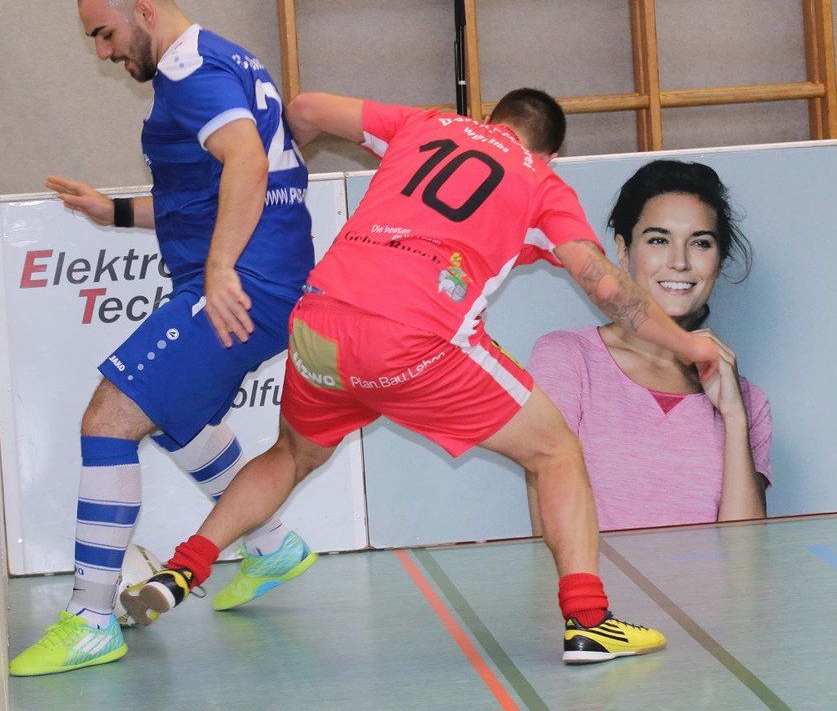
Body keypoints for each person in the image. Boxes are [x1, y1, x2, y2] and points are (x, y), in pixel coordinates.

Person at [124, 88, 721, 664]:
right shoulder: (540, 182)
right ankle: (589, 623)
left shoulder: (423, 124)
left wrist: (284, 169)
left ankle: (183, 568)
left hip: (320, 322)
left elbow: (304, 107)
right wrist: (687, 343)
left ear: (487, 119)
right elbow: (609, 287)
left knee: (291, 454)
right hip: (412, 341)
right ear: (550, 153)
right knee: (556, 451)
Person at [9, 0, 318, 676]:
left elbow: (245, 162)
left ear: (143, 11)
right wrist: (112, 211)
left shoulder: (190, 73)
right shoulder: (224, 58)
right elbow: (202, 196)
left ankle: (91, 618)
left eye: (105, 33)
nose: (103, 52)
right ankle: (271, 546)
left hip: (245, 283)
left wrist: (220, 270)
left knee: (109, 420)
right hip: (262, 278)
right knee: (181, 421)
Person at [527, 159, 771, 532]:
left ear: (719, 262)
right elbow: (551, 537)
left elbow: (748, 554)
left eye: (701, 243)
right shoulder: (567, 361)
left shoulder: (748, 401)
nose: (680, 262)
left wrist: (734, 417)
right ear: (624, 251)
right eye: (658, 240)